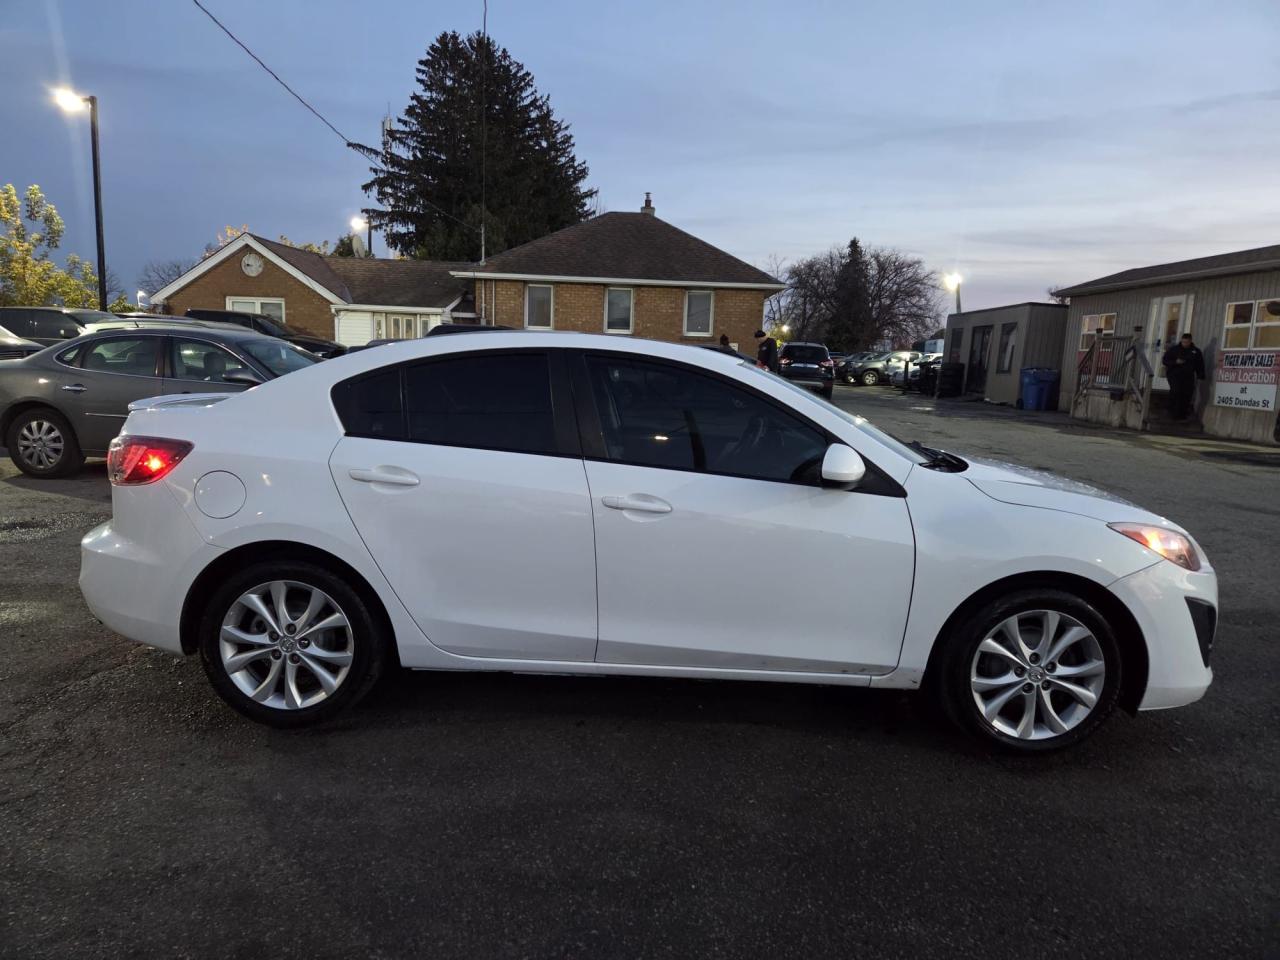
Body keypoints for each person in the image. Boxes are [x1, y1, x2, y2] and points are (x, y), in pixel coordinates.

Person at [1161, 332, 1205, 420]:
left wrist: (1200, 375)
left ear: (1190, 341)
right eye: (1183, 342)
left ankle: (1182, 415)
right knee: (1176, 391)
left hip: (1188, 375)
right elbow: (1165, 360)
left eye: (1186, 342)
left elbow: (1200, 364)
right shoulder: (1174, 349)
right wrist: (1175, 362)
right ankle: (1170, 411)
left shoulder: (1195, 351)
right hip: (1174, 374)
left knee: (1187, 394)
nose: (1185, 344)